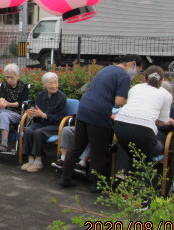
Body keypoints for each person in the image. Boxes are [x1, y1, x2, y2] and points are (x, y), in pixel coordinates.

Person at [59, 55, 143, 192]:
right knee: (98, 150)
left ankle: (65, 178)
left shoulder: (107, 69)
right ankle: (97, 184)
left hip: (84, 109)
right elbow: (119, 101)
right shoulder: (124, 76)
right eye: (138, 70)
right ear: (133, 64)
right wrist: (134, 103)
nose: (136, 74)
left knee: (76, 146)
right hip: (99, 113)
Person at [115, 80, 174, 175]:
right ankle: (122, 176)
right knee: (125, 145)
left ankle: (136, 179)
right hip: (141, 137)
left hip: (157, 140)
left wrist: (172, 122)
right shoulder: (144, 106)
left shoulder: (172, 109)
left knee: (137, 148)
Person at [21, 72, 67, 172]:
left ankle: (38, 161)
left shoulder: (62, 97)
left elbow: (60, 117)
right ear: (45, 84)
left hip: (55, 125)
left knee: (38, 132)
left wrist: (44, 115)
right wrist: (33, 113)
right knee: (28, 130)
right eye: (51, 83)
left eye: (56, 82)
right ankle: (30, 159)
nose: (54, 85)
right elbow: (37, 113)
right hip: (41, 123)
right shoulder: (40, 95)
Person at [0, 63, 29, 151]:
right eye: (7, 77)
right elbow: (2, 97)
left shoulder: (24, 86)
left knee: (3, 115)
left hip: (16, 113)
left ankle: (4, 144)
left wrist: (8, 104)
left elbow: (21, 103)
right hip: (3, 110)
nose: (9, 80)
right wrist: (2, 101)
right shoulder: (4, 85)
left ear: (18, 76)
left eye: (11, 77)